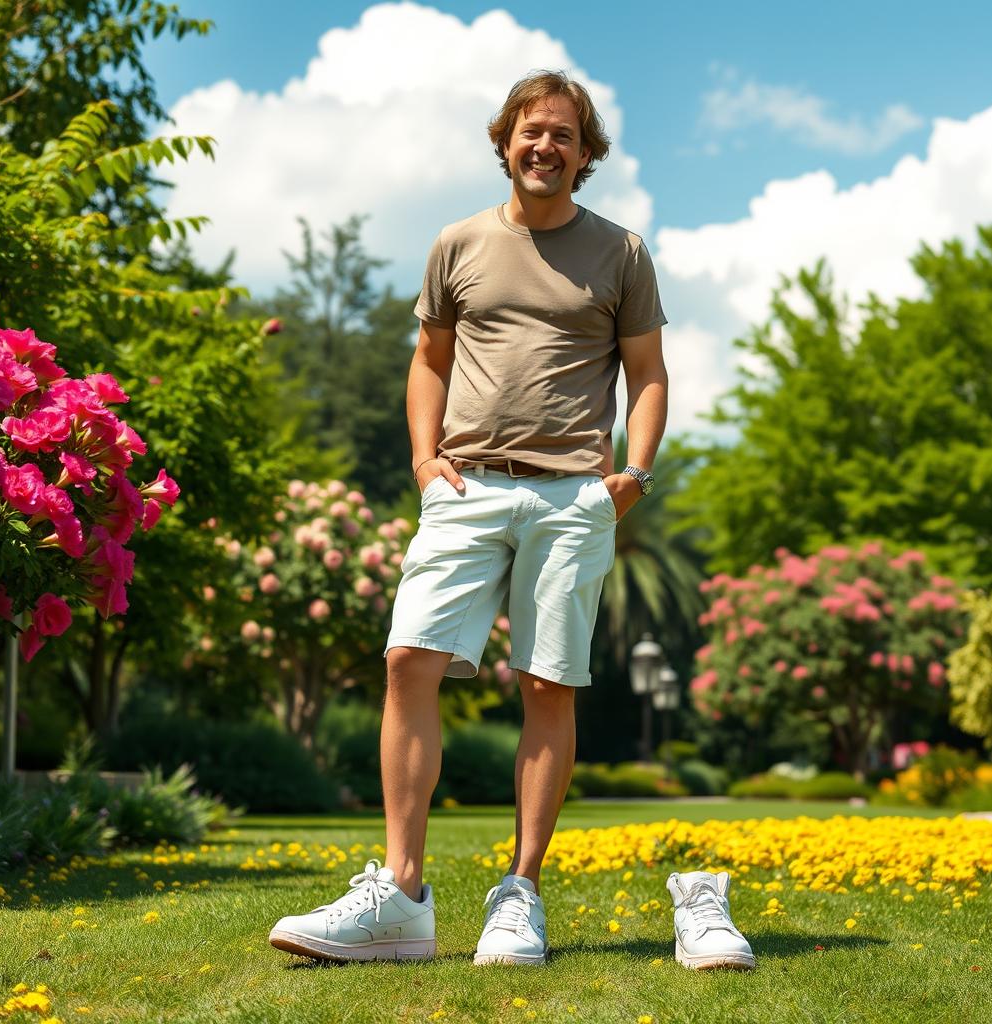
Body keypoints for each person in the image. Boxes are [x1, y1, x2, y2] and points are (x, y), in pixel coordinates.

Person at [269, 68, 754, 971]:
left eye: (565, 135)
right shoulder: (456, 243)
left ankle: (519, 896)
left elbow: (648, 377)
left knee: (546, 684)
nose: (545, 147)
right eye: (531, 131)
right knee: (410, 658)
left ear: (585, 154)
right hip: (467, 487)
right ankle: (402, 899)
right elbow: (428, 360)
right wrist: (425, 463)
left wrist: (634, 476)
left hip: (574, 492)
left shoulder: (622, 252)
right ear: (505, 142)